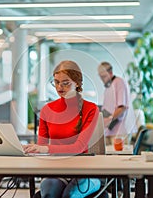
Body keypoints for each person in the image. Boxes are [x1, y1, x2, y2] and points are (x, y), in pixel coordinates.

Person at [23, 60, 101, 198]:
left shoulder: (91, 109)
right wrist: (34, 150)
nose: (60, 87)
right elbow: (41, 146)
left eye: (65, 83)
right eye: (56, 82)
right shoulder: (47, 110)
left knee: (69, 195)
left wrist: (47, 149)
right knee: (48, 194)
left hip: (83, 171)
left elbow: (79, 147)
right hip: (57, 169)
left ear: (77, 83)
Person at [97, 61, 136, 145]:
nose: (102, 80)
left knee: (120, 157)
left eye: (103, 77)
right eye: (100, 77)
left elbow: (122, 107)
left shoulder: (119, 83)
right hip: (110, 130)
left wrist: (109, 119)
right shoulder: (109, 86)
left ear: (110, 73)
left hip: (120, 131)